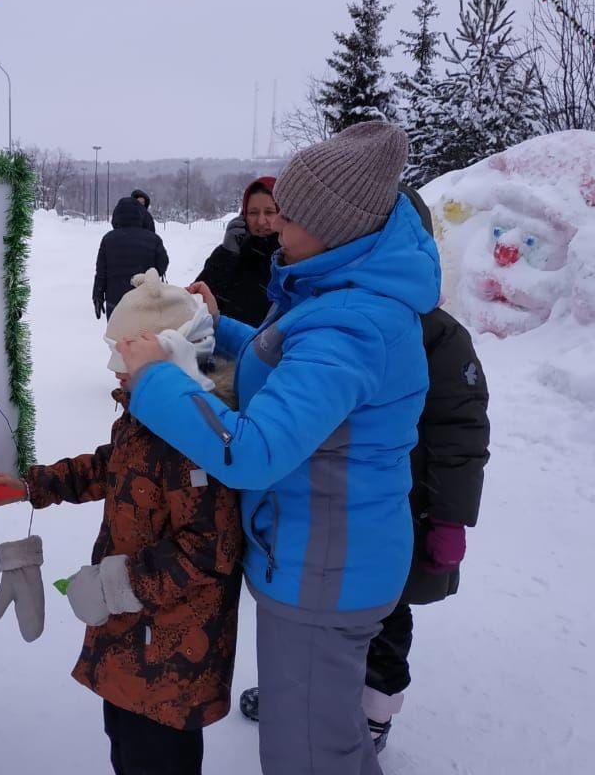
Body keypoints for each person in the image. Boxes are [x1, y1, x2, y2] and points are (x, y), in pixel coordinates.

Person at [113, 121, 441, 775]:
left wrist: (153, 379)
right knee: (324, 741)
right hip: (322, 557)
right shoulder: (339, 288)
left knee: (311, 758)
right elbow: (288, 362)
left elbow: (255, 450)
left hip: (325, 575)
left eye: (289, 217)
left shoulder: (352, 322)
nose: (275, 229)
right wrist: (215, 328)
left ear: (333, 225)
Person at [237, 184, 491, 754]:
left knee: (386, 621)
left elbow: (462, 433)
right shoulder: (334, 308)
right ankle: (322, 705)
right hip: (352, 503)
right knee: (337, 640)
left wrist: (450, 519)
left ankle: (374, 710)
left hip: (405, 503)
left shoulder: (431, 334)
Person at [0, 272, 243, 775]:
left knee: (155, 760)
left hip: (171, 656)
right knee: (125, 744)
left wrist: (115, 583)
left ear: (169, 354)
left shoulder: (198, 433)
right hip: (133, 642)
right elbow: (110, 464)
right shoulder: (151, 412)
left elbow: (210, 548)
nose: (115, 369)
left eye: (126, 355)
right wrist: (31, 485)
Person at [194, 176, 280, 327]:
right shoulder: (231, 253)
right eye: (253, 213)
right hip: (220, 346)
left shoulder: (291, 257)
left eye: (269, 212)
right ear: (243, 216)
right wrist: (226, 254)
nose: (260, 221)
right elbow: (197, 300)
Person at [93, 195, 170, 319]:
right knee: (144, 336)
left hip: (115, 303)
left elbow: (101, 272)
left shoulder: (108, 239)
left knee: (117, 337)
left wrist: (97, 294)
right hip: (145, 299)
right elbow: (163, 265)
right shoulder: (153, 239)